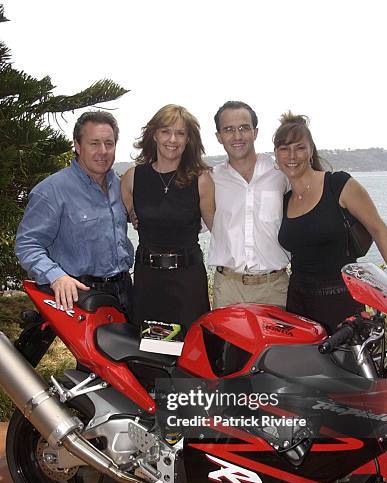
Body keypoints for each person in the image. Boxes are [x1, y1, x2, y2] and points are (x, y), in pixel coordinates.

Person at [274, 112, 387, 333]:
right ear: (276, 155)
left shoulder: (338, 185)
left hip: (341, 300)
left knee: (347, 367)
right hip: (298, 303)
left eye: (300, 148)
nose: (292, 156)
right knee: (305, 367)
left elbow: (378, 228)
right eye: (284, 149)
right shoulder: (285, 200)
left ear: (310, 151)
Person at [15, 111, 134, 313]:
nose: (103, 151)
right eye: (94, 143)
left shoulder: (120, 186)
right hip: (81, 296)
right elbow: (27, 244)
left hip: (125, 291)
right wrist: (56, 276)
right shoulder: (51, 190)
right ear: (78, 146)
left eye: (109, 143)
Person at [121, 104, 215, 331]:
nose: (172, 139)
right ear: (155, 134)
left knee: (189, 353)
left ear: (188, 140)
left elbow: (217, 229)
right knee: (149, 352)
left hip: (187, 281)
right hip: (147, 280)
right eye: (166, 131)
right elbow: (119, 220)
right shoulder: (133, 177)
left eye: (180, 133)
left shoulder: (201, 179)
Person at [208, 101, 290, 309]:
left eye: (244, 128)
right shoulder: (211, 179)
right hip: (228, 289)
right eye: (229, 130)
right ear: (218, 136)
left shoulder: (280, 172)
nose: (237, 136)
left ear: (255, 132)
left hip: (275, 289)